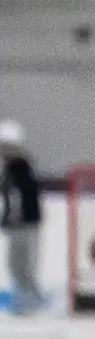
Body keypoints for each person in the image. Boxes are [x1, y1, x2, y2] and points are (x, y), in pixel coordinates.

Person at [1, 120, 46, 316]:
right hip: (22, 224)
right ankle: (28, 298)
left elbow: (17, 197)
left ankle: (30, 301)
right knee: (16, 264)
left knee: (23, 264)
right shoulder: (13, 167)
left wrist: (10, 219)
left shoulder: (19, 167)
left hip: (25, 224)